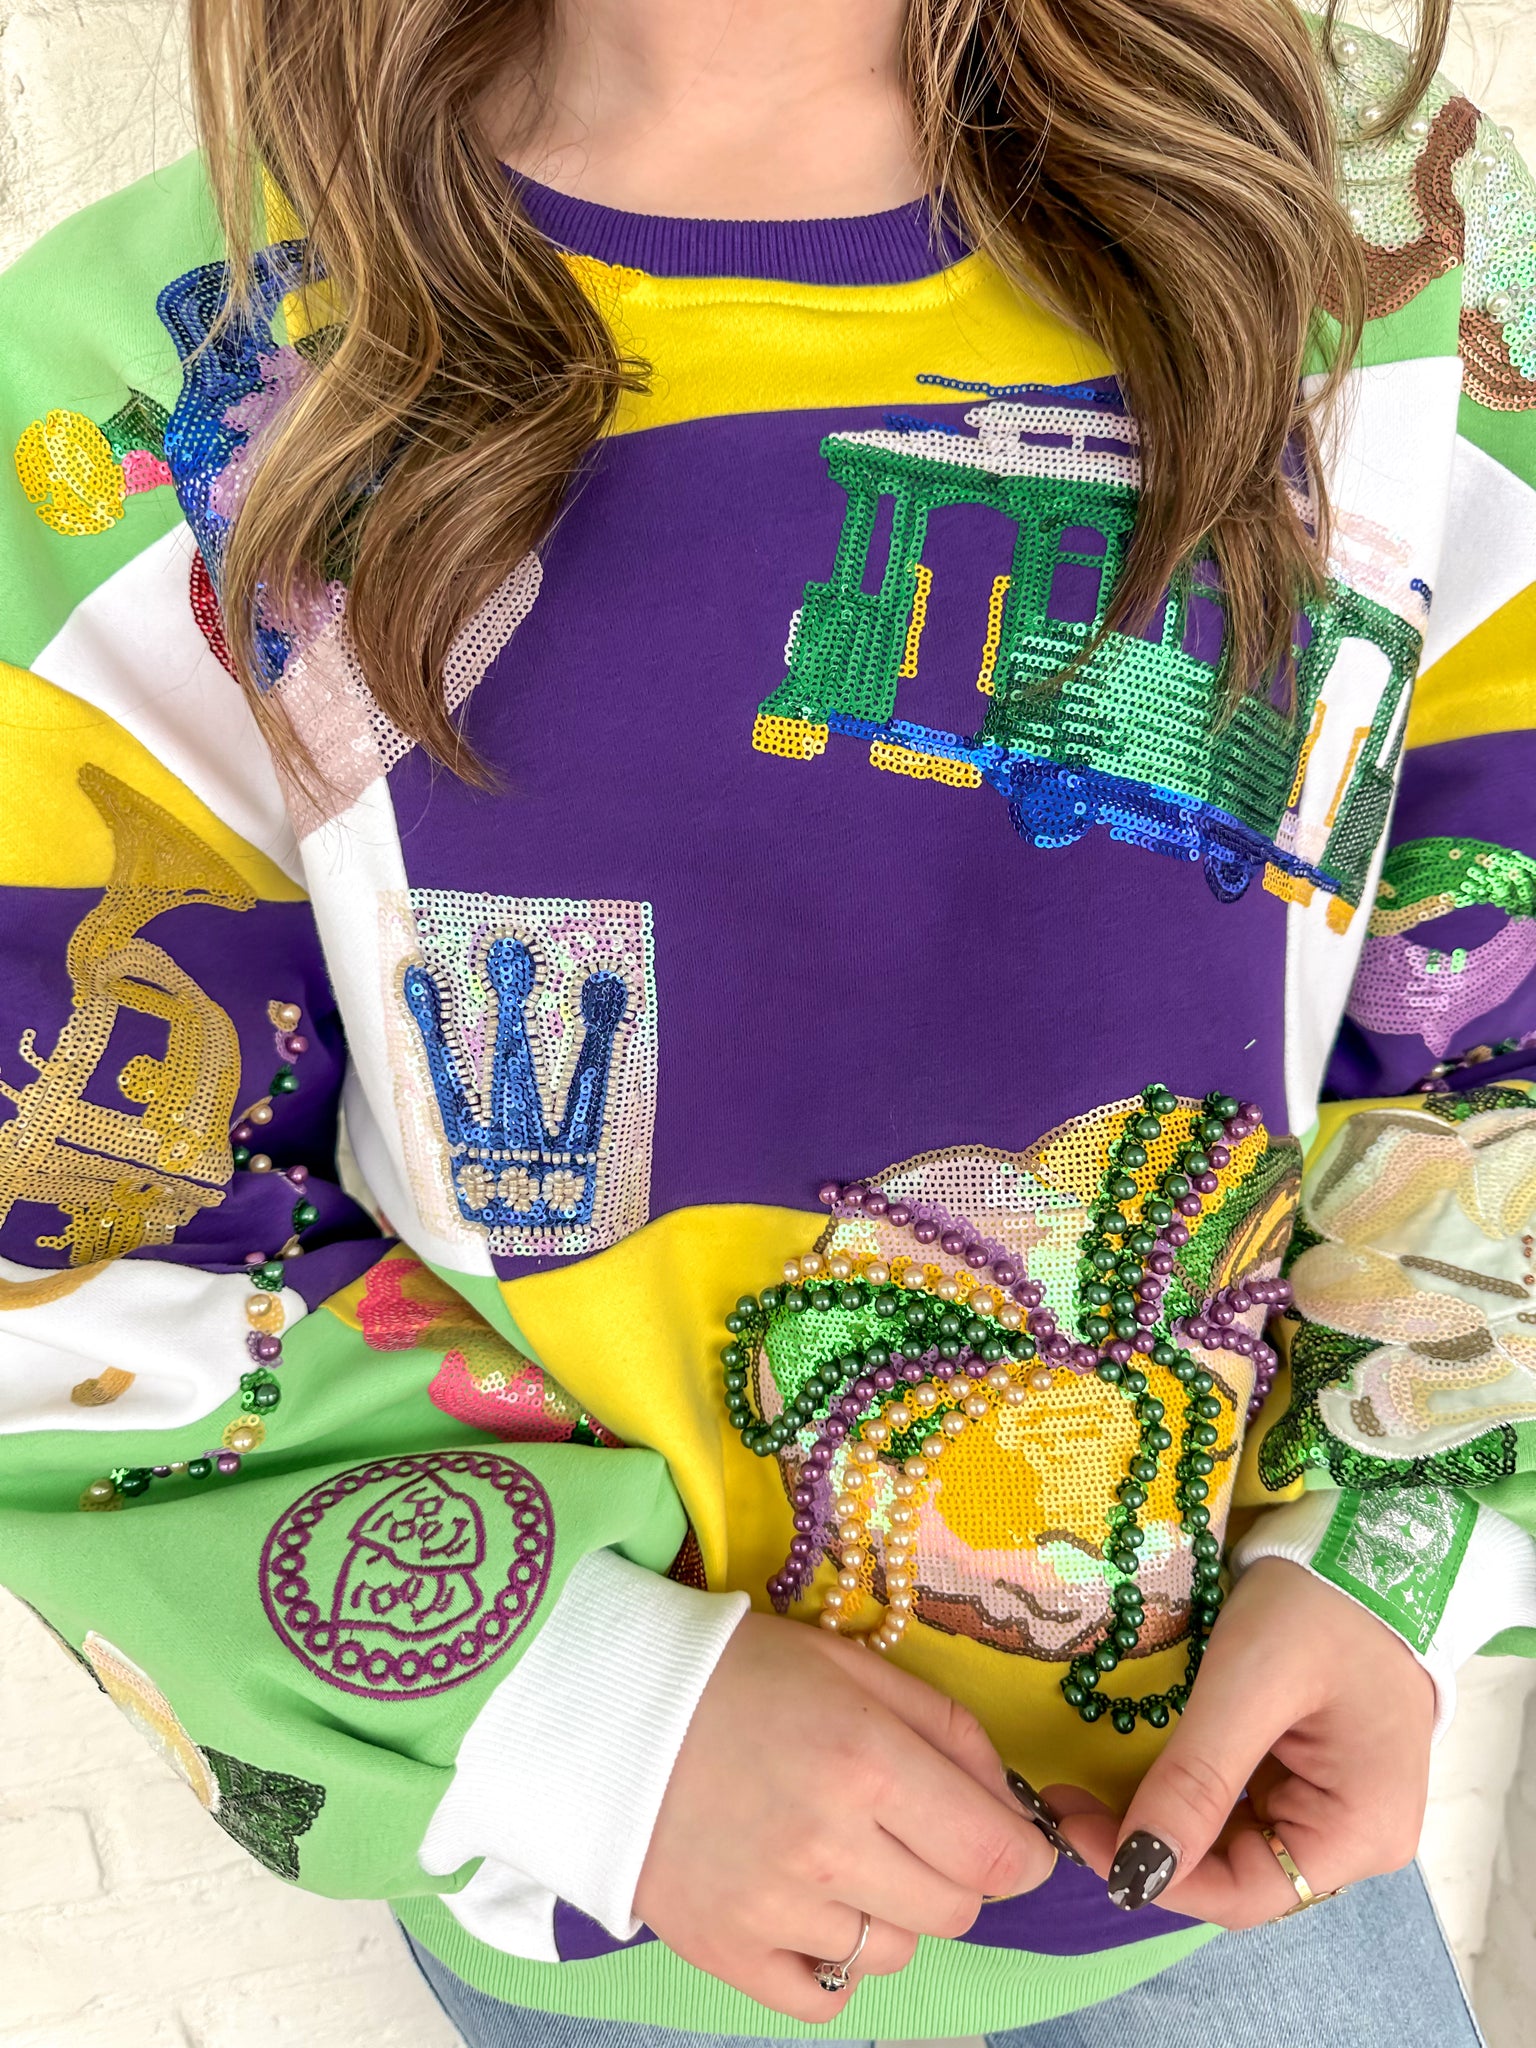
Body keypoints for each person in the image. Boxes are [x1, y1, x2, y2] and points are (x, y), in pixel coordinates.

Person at [1, 0, 1532, 2041]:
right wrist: (592, 1709)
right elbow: (72, 1209)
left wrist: (1384, 1551)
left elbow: (1499, 987)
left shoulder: (1400, 242)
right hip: (617, 1895)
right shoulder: (148, 388)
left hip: (1230, 1835)